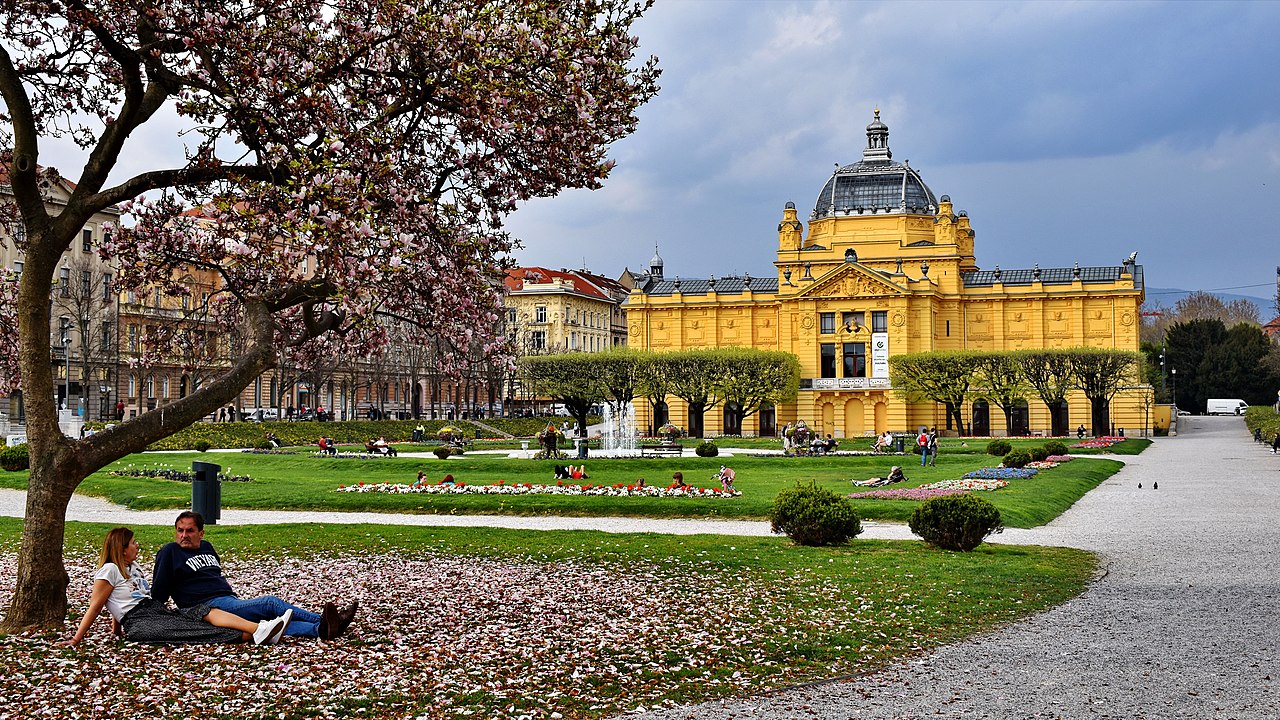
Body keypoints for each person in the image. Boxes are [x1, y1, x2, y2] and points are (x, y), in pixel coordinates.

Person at [64, 527, 291, 646]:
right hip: (139, 622)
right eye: (133, 543)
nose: (138, 546)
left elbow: (117, 599)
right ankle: (258, 634)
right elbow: (97, 605)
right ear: (122, 548)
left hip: (154, 610)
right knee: (197, 631)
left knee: (201, 611)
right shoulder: (109, 571)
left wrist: (115, 631)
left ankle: (259, 629)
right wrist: (76, 639)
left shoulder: (131, 568)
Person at [152, 511, 357, 642]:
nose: (184, 535)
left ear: (201, 533)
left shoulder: (206, 547)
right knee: (269, 603)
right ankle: (329, 620)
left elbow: (215, 574)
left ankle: (320, 630)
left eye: (190, 530)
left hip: (228, 600)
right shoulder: (170, 551)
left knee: (271, 622)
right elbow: (160, 590)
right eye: (180, 531)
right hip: (205, 605)